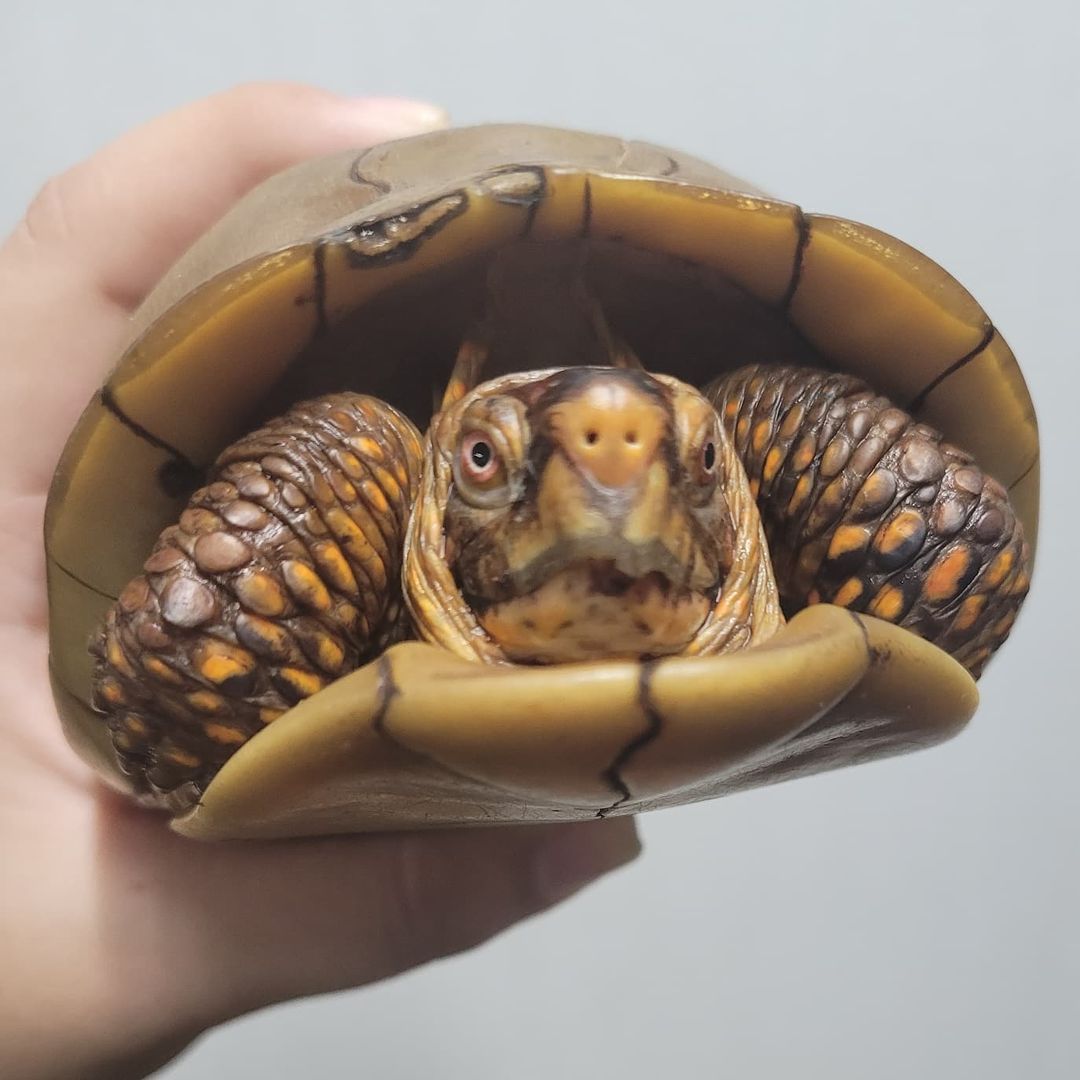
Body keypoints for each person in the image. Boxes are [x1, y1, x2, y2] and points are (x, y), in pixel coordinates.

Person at [0, 83, 641, 1080]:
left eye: (677, 460)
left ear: (725, 477)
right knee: (350, 450)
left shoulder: (759, 437)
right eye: (484, 462)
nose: (606, 487)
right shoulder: (365, 467)